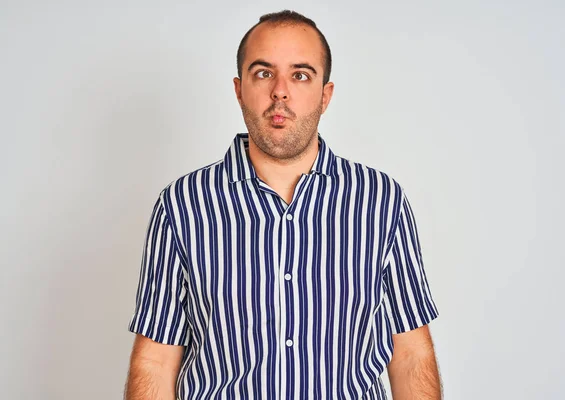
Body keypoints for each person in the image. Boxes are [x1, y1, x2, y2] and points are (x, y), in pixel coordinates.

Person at [124, 9, 441, 400]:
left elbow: (410, 355)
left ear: (325, 95)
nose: (280, 91)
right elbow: (155, 360)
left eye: (300, 74)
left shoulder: (381, 202)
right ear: (239, 90)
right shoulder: (181, 206)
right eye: (263, 73)